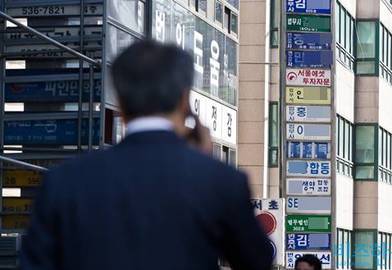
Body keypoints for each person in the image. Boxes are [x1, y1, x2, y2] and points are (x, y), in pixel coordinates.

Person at [20, 40, 273, 270]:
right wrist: (205, 162)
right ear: (184, 99)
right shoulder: (221, 182)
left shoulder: (63, 181)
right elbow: (256, 261)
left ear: (119, 101)